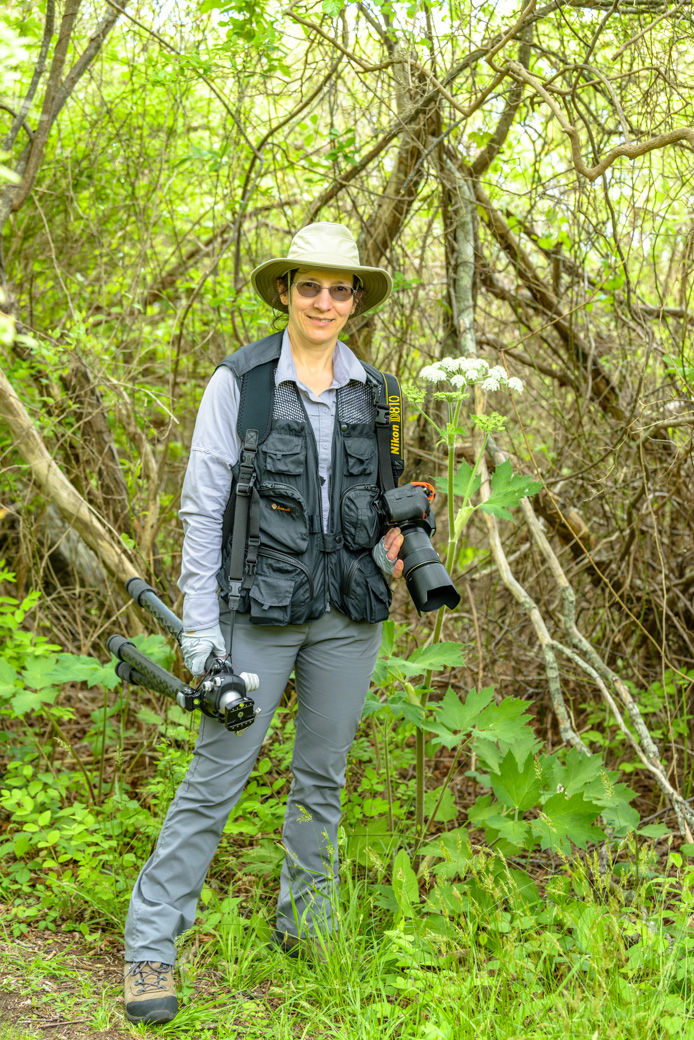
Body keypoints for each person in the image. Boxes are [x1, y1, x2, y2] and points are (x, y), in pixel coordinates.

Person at [123, 222, 404, 1024]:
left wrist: (391, 540)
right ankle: (150, 947)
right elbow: (202, 511)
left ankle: (305, 925)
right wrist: (200, 637)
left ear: (355, 300)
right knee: (216, 780)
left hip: (349, 617)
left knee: (322, 778)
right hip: (260, 617)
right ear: (286, 292)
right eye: (308, 286)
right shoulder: (239, 385)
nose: (323, 301)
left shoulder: (375, 393)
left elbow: (376, 497)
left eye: (338, 288)